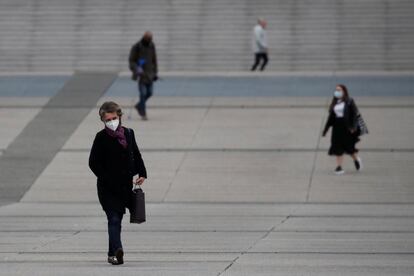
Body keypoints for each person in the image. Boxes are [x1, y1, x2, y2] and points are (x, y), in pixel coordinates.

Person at [89, 101, 147, 265]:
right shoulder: (100, 138)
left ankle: (111, 254)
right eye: (108, 120)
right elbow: (93, 162)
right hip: (107, 188)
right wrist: (106, 177)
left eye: (114, 118)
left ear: (120, 117)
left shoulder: (129, 133)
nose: (112, 122)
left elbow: (135, 153)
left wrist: (142, 173)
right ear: (103, 121)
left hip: (124, 187)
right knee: (113, 218)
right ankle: (117, 251)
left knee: (117, 219)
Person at [322, 84, 363, 175]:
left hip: (347, 127)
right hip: (337, 127)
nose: (337, 91)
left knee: (349, 148)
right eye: (336, 90)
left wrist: (353, 127)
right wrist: (325, 130)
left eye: (339, 90)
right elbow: (331, 118)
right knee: (337, 147)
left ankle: (356, 160)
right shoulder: (334, 102)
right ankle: (339, 167)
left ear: (344, 91)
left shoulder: (349, 101)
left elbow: (355, 115)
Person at [129, 31, 158, 120]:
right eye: (148, 39)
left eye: (150, 39)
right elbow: (131, 61)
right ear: (144, 38)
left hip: (150, 74)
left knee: (150, 93)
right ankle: (143, 113)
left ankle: (139, 105)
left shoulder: (151, 46)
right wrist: (136, 68)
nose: (149, 40)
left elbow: (154, 59)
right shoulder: (137, 46)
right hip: (141, 75)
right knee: (143, 93)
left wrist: (155, 72)